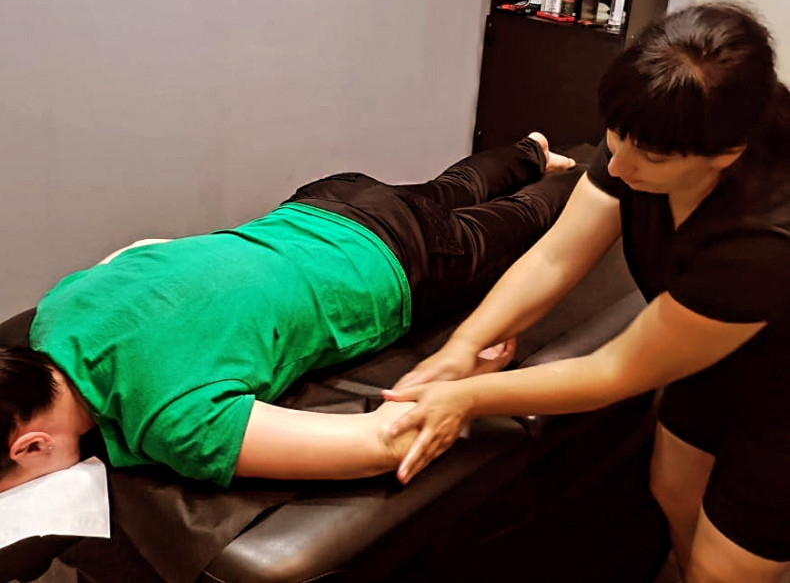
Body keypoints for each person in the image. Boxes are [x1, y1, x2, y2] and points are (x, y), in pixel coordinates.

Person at [385, 2, 790, 582]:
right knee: (673, 488)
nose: (618, 167)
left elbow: (613, 372)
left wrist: (465, 398)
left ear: (728, 154)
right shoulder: (656, 126)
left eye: (651, 158)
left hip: (780, 389)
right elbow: (555, 258)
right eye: (616, 138)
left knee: (723, 567)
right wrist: (461, 348)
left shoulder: (761, 240)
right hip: (706, 349)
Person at [0, 133, 579, 493]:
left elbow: (386, 444)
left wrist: (469, 376)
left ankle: (592, 172)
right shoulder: (56, 311)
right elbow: (144, 250)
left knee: (527, 218)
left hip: (399, 263)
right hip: (324, 202)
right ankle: (533, 150)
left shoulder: (175, 423)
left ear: (31, 446)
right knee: (447, 188)